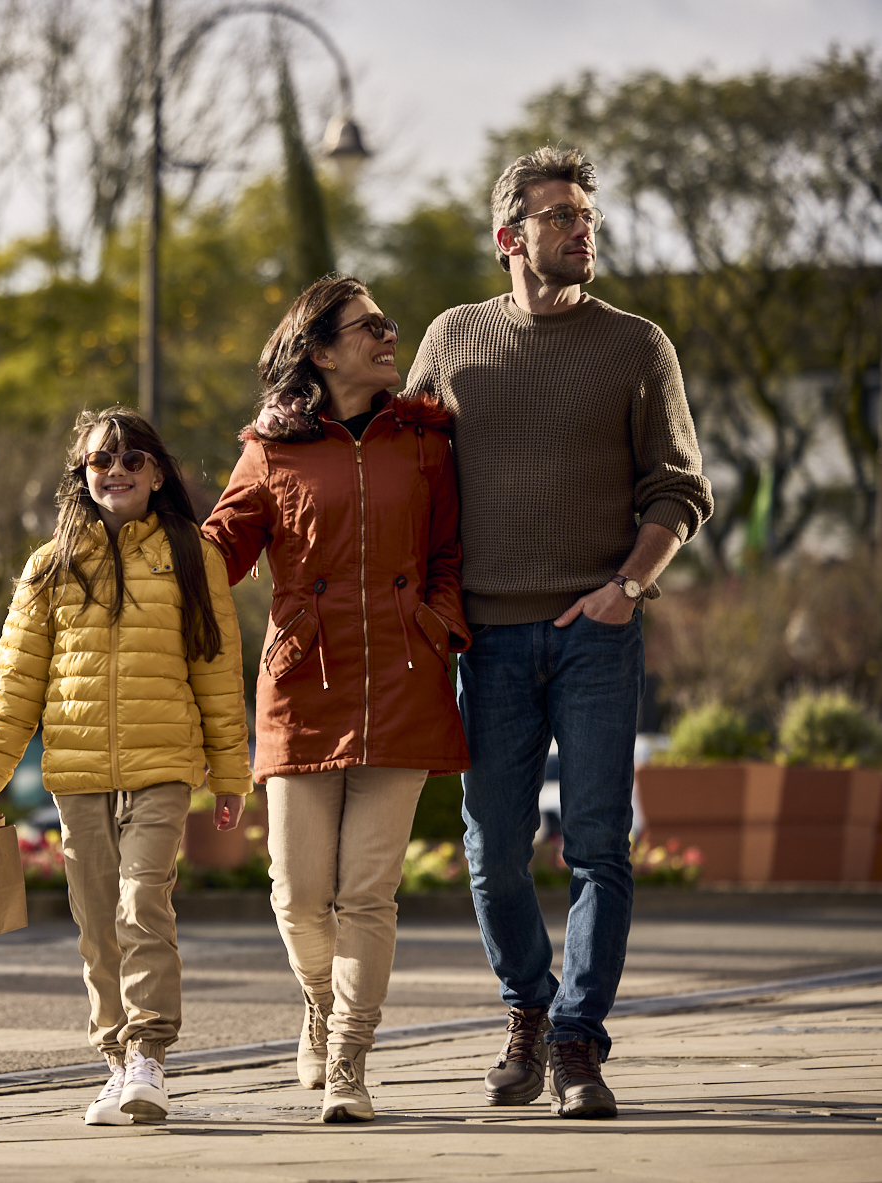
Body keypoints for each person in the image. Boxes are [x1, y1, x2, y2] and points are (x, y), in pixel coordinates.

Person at [405, 146, 713, 1120]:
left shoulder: (636, 345)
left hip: (596, 630)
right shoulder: (453, 339)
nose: (584, 230)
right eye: (561, 216)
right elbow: (405, 468)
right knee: (494, 849)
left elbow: (679, 486)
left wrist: (629, 587)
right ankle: (527, 1014)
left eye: (589, 215)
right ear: (511, 237)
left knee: (597, 844)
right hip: (486, 639)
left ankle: (579, 1042)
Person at [202, 275, 471, 1124]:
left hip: (404, 679)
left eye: (390, 324)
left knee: (365, 894)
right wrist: (143, 532)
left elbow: (450, 555)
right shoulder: (269, 450)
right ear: (319, 349)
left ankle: (350, 1056)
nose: (390, 337)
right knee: (293, 892)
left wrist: (438, 624)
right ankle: (319, 1003)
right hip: (300, 684)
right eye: (371, 327)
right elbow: (218, 553)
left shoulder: (426, 442)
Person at [0, 406, 251, 1127]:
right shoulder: (49, 565)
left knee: (143, 902)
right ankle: (113, 1059)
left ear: (157, 472)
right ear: (80, 475)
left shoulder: (190, 554)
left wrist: (231, 775)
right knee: (95, 919)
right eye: (100, 461)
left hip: (162, 762)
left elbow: (214, 667)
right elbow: (17, 680)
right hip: (77, 771)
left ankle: (148, 1055)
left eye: (131, 460)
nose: (116, 472)